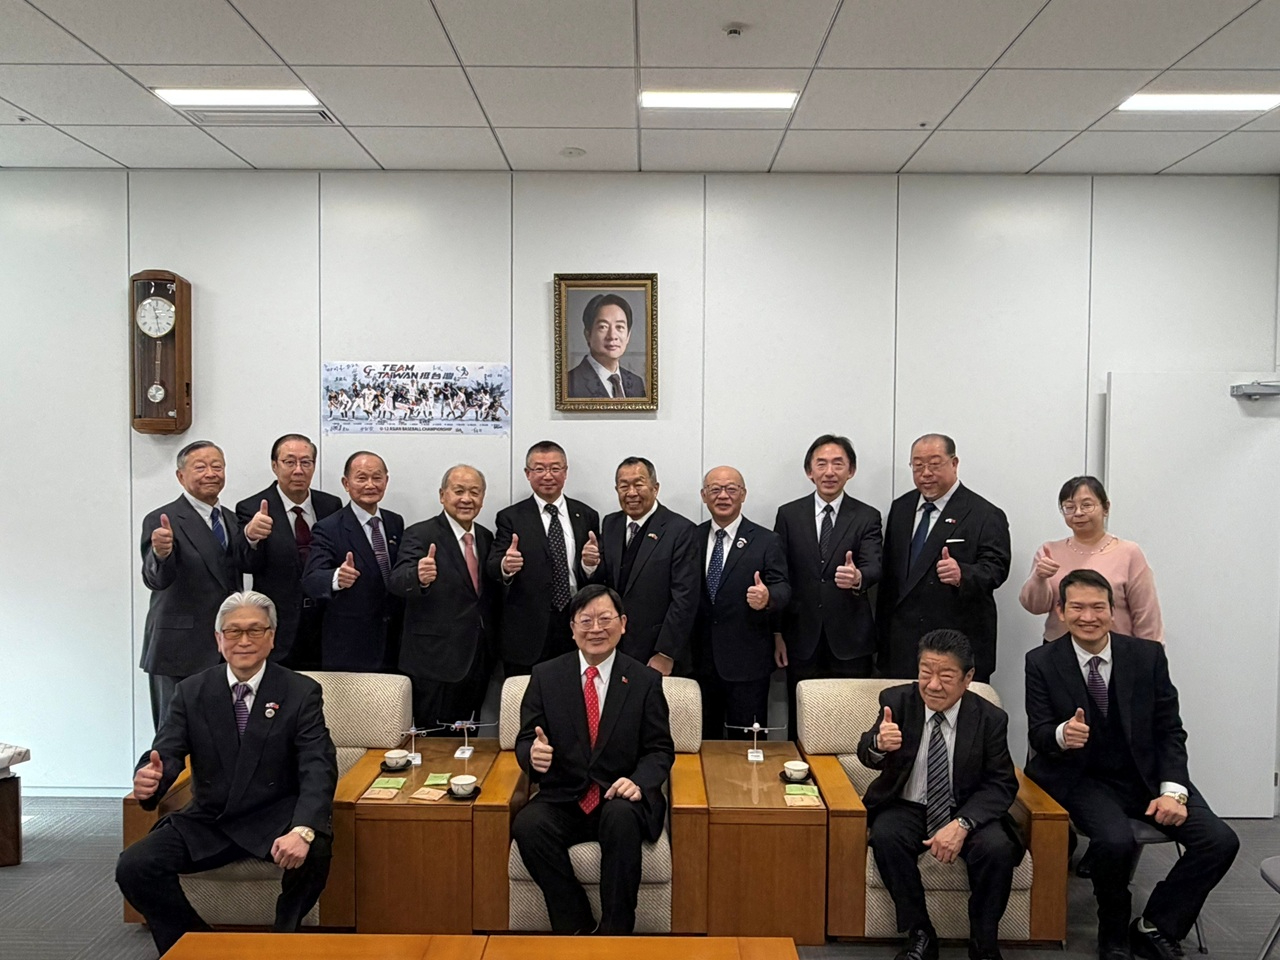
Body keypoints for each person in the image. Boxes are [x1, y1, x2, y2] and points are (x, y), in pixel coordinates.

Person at [1025, 570, 1238, 960]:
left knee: (1220, 841)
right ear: (1061, 611)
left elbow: (1169, 730)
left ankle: (1155, 925)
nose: (1088, 617)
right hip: (1082, 778)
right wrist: (1062, 735)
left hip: (1145, 777)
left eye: (1097, 607)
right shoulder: (1041, 661)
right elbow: (1038, 733)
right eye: (1077, 607)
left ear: (1112, 610)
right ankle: (1112, 930)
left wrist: (1173, 791)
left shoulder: (1147, 656)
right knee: (1114, 841)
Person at [116, 591, 338, 957]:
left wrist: (302, 829)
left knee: (316, 849)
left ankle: (283, 942)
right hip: (211, 817)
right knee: (134, 866)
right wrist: (150, 780)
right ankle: (198, 946)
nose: (244, 640)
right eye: (233, 631)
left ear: (272, 637)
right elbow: (166, 752)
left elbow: (318, 764)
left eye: (255, 630)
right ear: (218, 639)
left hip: (274, 815)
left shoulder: (300, 691)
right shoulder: (191, 691)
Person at [511, 584, 674, 934]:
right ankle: (575, 926)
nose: (595, 629)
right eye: (585, 621)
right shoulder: (546, 676)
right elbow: (525, 740)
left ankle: (615, 933)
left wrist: (639, 782)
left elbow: (660, 749)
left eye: (605, 619)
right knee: (528, 824)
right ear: (572, 628)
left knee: (621, 817)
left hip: (619, 796)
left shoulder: (644, 680)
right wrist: (533, 755)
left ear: (623, 624)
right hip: (565, 796)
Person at [858, 629, 1023, 960]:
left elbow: (1001, 783)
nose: (933, 685)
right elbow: (867, 752)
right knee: (887, 836)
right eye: (925, 673)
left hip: (965, 807)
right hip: (907, 805)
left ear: (968, 678)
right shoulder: (896, 702)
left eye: (946, 676)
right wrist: (877, 744)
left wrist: (963, 823)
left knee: (996, 848)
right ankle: (920, 934)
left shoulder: (990, 718)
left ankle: (984, 942)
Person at [139, 440, 267, 728]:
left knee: (221, 733)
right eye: (200, 467)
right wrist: (161, 554)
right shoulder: (163, 519)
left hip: (226, 647)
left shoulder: (232, 520)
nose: (211, 473)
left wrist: (251, 538)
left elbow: (243, 567)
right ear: (180, 476)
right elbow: (155, 579)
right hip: (178, 649)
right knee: (175, 735)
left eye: (217, 466)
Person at [774, 433, 883, 739]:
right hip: (801, 637)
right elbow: (779, 576)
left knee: (851, 723)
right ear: (809, 471)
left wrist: (858, 577)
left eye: (838, 463)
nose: (829, 472)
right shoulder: (788, 514)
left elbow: (875, 565)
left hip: (850, 639)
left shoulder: (867, 516)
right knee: (802, 723)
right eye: (821, 464)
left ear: (851, 470)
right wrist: (777, 633)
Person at [877, 434, 1011, 683]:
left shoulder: (984, 513)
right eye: (918, 465)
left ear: (954, 463)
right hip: (901, 644)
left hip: (954, 642)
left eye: (934, 464)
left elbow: (997, 568)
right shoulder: (901, 507)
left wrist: (963, 574)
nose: (926, 473)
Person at [389, 464, 500, 728]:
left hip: (477, 659)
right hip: (434, 662)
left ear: (483, 498)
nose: (466, 499)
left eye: (474, 492)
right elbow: (396, 581)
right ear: (442, 495)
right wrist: (418, 576)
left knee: (467, 737)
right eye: (458, 491)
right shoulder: (420, 533)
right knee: (433, 741)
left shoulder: (485, 537)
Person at [692, 466, 791, 739]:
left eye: (731, 489)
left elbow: (783, 587)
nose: (723, 496)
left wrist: (768, 597)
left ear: (743, 494)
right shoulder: (691, 537)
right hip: (699, 662)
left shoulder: (766, 540)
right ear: (704, 495)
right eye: (715, 489)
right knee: (702, 742)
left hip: (748, 663)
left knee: (748, 744)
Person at [486, 441, 600, 676]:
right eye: (539, 469)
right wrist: (506, 566)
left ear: (565, 472)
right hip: (527, 629)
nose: (548, 475)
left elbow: (596, 573)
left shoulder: (586, 515)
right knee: (524, 694)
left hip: (575, 621)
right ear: (527, 474)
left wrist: (589, 566)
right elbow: (493, 565)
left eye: (555, 468)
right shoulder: (511, 517)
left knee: (572, 691)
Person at [236, 434, 342, 668]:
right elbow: (245, 564)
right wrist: (251, 537)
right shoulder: (252, 507)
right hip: (280, 625)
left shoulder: (330, 505)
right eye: (289, 462)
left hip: (325, 623)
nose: (298, 470)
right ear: (275, 465)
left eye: (306, 462)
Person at [1019, 476, 1163, 644]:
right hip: (1060, 650)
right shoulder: (1049, 551)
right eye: (1069, 507)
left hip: (1116, 650)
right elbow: (1035, 607)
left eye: (1087, 505)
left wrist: (1151, 652)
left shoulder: (1129, 553)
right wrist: (1039, 578)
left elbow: (1146, 613)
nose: (1078, 513)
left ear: (1106, 508)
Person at [595, 456, 699, 675]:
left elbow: (685, 598)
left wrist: (666, 653)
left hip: (656, 650)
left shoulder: (680, 530)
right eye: (624, 486)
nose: (631, 493)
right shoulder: (610, 523)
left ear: (655, 488)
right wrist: (589, 565)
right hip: (613, 647)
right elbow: (605, 582)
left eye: (639, 484)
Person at [301, 451, 403, 671]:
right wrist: (336, 577)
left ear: (386, 481)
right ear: (346, 483)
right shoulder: (328, 527)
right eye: (361, 478)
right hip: (351, 645)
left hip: (393, 642)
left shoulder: (395, 522)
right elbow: (311, 579)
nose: (370, 485)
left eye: (377, 478)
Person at [566, 293, 647, 399]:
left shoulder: (636, 383)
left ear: (628, 336)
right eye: (603, 327)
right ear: (588, 334)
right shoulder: (569, 384)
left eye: (619, 327)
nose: (612, 336)